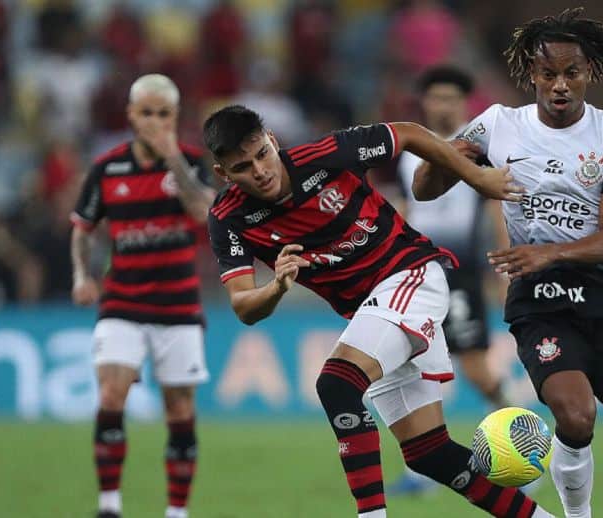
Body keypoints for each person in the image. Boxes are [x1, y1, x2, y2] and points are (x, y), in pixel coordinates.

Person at [202, 104, 554, 518]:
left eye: (262, 153)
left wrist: (476, 176)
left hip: (411, 274)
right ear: (224, 174)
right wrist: (276, 287)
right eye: (243, 166)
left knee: (336, 384)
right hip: (372, 310)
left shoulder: (323, 158)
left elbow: (407, 133)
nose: (260, 170)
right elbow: (244, 305)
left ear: (273, 142)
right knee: (429, 453)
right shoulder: (229, 219)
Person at [412, 8, 603, 518]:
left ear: (588, 73)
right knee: (575, 418)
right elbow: (423, 187)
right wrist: (467, 164)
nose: (559, 85)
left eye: (570, 73)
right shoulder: (497, 126)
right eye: (548, 74)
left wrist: (544, 252)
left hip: (602, 294)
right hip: (539, 300)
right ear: (531, 74)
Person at [70, 74, 215, 518]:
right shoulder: (107, 168)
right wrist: (81, 274)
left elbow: (205, 213)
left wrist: (172, 158)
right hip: (122, 300)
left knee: (179, 408)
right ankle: (109, 506)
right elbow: (82, 227)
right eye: (146, 112)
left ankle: (176, 511)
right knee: (111, 394)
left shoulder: (190, 162)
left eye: (163, 113)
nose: (154, 121)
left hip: (179, 303)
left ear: (176, 117)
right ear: (131, 115)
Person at [389, 65, 512, 495]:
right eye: (435, 97)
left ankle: (518, 434)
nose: (442, 105)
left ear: (464, 103)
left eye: (450, 98)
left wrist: (503, 266)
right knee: (412, 366)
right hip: (415, 272)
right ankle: (424, 467)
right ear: (424, 102)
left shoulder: (477, 148)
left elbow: (496, 205)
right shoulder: (408, 151)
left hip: (459, 272)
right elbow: (405, 209)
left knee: (476, 369)